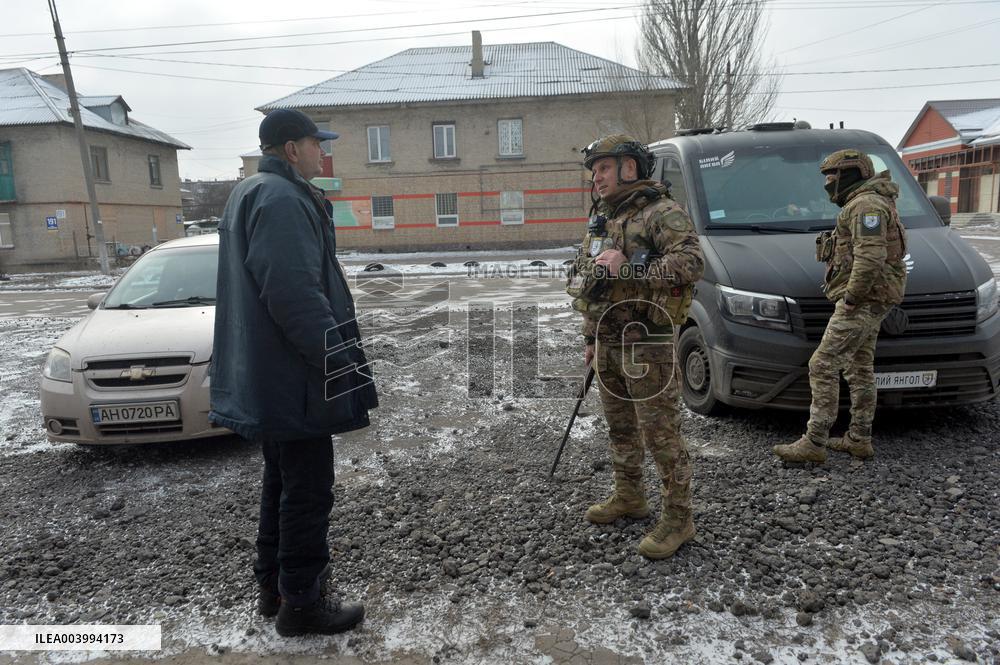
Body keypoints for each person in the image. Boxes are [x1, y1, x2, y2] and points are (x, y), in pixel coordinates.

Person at [210, 109, 378, 636]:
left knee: (281, 481)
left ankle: (273, 589)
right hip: (297, 378)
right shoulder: (281, 198)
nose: (321, 152)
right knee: (307, 489)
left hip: (274, 376)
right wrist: (338, 363)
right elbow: (293, 295)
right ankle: (303, 604)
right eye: (314, 142)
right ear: (290, 148)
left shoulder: (250, 191)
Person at [566, 134, 704, 559]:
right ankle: (630, 496)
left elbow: (693, 263)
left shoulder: (662, 213)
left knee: (661, 434)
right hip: (608, 341)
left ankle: (679, 518)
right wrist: (590, 338)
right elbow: (588, 281)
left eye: (604, 168)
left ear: (630, 167)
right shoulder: (601, 220)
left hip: (648, 343)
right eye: (594, 171)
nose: (597, 179)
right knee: (621, 428)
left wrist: (630, 267)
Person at [773, 148, 907, 463]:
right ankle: (859, 438)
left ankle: (814, 442)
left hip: (864, 300)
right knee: (859, 367)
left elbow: (870, 256)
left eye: (832, 175)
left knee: (822, 364)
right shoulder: (865, 203)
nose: (828, 182)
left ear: (849, 174)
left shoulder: (865, 206)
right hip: (873, 298)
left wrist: (852, 297)